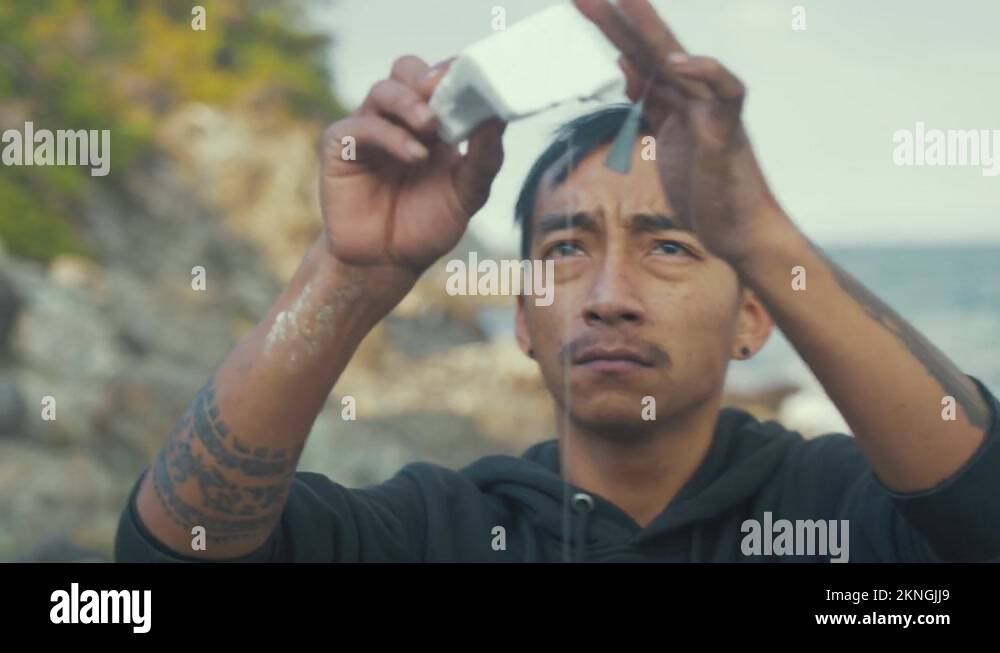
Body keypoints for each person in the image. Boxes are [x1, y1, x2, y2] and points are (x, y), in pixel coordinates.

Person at [115, 0, 1000, 563]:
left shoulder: (842, 514)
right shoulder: (435, 529)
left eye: (670, 247)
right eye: (567, 249)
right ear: (525, 323)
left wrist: (760, 232)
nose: (609, 294)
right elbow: (169, 558)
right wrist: (347, 273)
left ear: (754, 318)